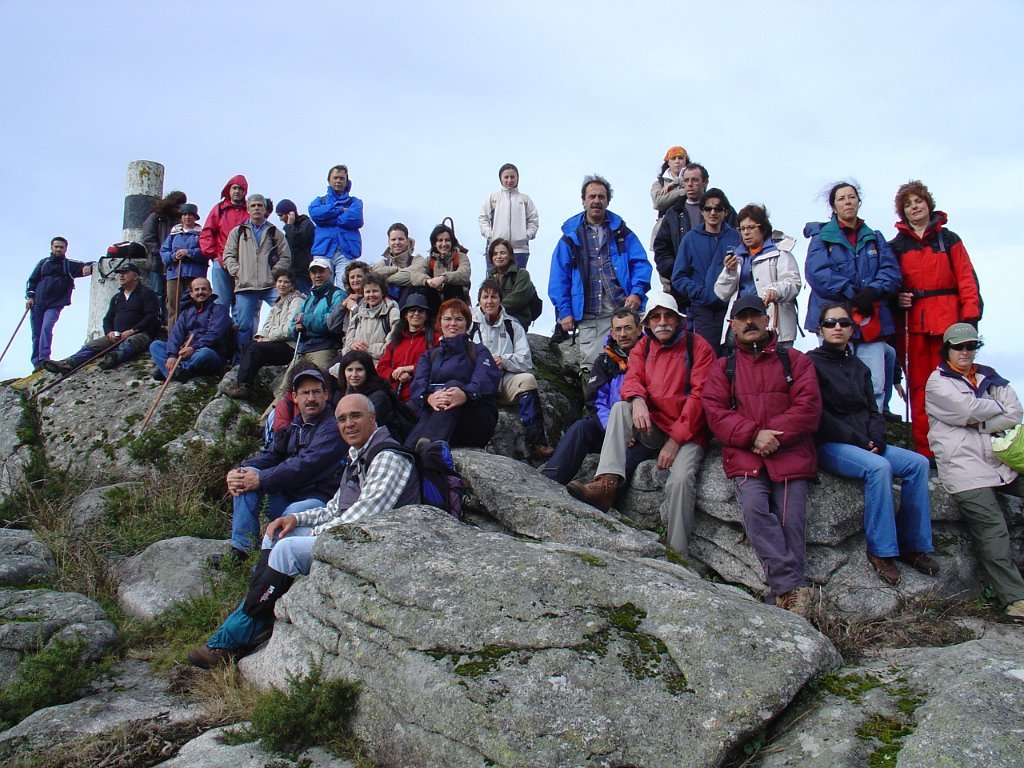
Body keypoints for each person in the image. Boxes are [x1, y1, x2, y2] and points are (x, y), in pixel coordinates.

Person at [187, 393, 420, 668]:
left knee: (286, 549)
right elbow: (334, 508)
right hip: (353, 537)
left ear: (373, 418)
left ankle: (232, 639)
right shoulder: (359, 455)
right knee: (276, 534)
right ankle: (258, 615)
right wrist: (296, 519)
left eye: (355, 416)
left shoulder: (388, 457)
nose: (348, 424)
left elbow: (363, 518)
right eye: (342, 419)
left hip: (377, 544)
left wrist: (311, 532)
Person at [568, 292, 714, 556]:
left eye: (668, 315)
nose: (662, 322)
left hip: (689, 433)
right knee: (621, 408)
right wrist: (637, 399)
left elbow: (700, 397)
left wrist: (675, 441)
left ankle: (677, 554)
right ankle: (606, 483)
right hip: (655, 426)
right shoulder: (643, 348)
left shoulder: (698, 346)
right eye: (656, 317)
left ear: (679, 320)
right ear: (647, 325)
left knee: (680, 480)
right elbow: (633, 379)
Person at [702, 295, 822, 614]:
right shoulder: (722, 367)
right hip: (747, 455)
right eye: (742, 318)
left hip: (789, 454)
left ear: (768, 318)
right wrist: (754, 435)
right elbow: (714, 413)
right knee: (755, 511)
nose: (749, 322)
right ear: (732, 325)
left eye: (755, 315)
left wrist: (771, 435)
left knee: (791, 522)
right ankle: (792, 590)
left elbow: (808, 407)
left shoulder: (795, 360)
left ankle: (784, 594)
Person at [808, 303, 937, 585]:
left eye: (843, 323)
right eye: (830, 323)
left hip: (867, 441)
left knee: (917, 464)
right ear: (820, 330)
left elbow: (873, 409)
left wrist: (877, 437)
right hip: (832, 444)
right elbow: (819, 413)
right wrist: (860, 440)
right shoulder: (811, 363)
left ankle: (913, 545)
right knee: (879, 468)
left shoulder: (859, 366)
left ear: (852, 330)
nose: (837, 328)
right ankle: (882, 551)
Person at [926, 323, 1024, 623]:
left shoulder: (991, 376)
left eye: (970, 346)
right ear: (948, 349)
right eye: (959, 347)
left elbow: (1015, 413)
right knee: (993, 529)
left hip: (1001, 462)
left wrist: (981, 420)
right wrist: (995, 409)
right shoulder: (937, 382)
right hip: (964, 466)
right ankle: (1015, 600)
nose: (965, 352)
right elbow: (964, 410)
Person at [890, 180, 983, 459]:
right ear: (902, 212)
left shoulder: (950, 239)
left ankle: (961, 451)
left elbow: (967, 279)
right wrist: (898, 298)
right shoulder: (895, 246)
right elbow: (890, 282)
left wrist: (970, 321)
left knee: (956, 386)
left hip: (950, 326)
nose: (914, 207)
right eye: (908, 204)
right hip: (914, 326)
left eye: (918, 201)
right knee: (920, 388)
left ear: (928, 204)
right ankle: (926, 451)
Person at [225, 367, 345, 557]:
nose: (311, 398)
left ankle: (267, 564)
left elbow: (305, 466)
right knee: (244, 478)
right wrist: (240, 470)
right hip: (288, 494)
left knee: (289, 513)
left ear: (326, 395)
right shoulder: (293, 427)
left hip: (318, 500)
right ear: (295, 397)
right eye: (305, 393)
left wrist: (261, 479)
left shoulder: (333, 428)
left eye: (316, 392)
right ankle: (242, 549)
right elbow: (271, 456)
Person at [803, 181, 901, 411]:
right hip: (834, 318)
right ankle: (844, 433)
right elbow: (817, 273)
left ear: (859, 202)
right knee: (838, 381)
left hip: (871, 318)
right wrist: (851, 290)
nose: (847, 201)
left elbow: (891, 271)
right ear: (833, 206)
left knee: (875, 380)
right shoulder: (822, 237)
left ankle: (874, 428)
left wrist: (874, 290)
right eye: (841, 198)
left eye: (851, 197)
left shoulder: (875, 237)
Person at [548, 175, 651, 377]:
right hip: (589, 312)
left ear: (607, 201)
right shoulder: (570, 237)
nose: (597, 201)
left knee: (635, 362)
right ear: (584, 200)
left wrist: (638, 292)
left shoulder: (622, 232)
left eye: (601, 197)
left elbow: (640, 263)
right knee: (592, 368)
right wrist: (565, 311)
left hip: (623, 308)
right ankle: (595, 409)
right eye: (592, 196)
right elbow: (559, 278)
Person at [541, 306, 643, 485]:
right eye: (618, 329)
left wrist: (630, 432)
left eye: (628, 328)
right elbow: (595, 402)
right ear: (611, 332)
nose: (623, 334)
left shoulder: (652, 356)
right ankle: (551, 481)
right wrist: (615, 430)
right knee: (581, 428)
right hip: (610, 425)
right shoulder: (604, 361)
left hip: (641, 430)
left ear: (639, 328)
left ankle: (603, 495)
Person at [470, 280, 554, 458]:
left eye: (494, 296)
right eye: (485, 297)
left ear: (500, 299)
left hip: (504, 381)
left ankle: (537, 440)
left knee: (527, 380)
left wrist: (504, 361)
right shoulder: (470, 323)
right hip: (476, 382)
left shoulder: (512, 325)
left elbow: (525, 360)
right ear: (479, 301)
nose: (490, 301)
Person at [404, 298, 501, 448]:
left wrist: (466, 394)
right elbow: (418, 384)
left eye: (459, 319)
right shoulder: (430, 355)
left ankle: (427, 447)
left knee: (453, 386)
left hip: (472, 417)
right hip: (435, 411)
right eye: (447, 319)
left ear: (467, 324)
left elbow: (485, 379)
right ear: (440, 322)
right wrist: (429, 398)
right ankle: (408, 450)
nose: (453, 324)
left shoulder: (478, 351)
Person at [41, 262, 160, 374]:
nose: (121, 276)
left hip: (139, 333)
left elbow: (151, 316)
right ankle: (69, 363)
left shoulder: (147, 293)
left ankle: (112, 359)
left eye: (125, 273)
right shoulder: (117, 297)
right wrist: (110, 333)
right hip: (116, 336)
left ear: (136, 277)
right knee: (92, 345)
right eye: (120, 273)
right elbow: (107, 319)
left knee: (131, 342)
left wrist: (132, 330)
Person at [714, 204, 802, 349]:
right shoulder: (737, 256)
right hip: (743, 327)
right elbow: (721, 293)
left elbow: (793, 284)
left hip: (775, 326)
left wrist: (776, 290)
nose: (746, 233)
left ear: (763, 228)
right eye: (742, 229)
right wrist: (729, 272)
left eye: (751, 227)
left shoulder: (780, 252)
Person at [671, 188, 741, 356]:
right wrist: (702, 294)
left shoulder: (736, 237)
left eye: (718, 208)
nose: (713, 212)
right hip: (703, 310)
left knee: (736, 358)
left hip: (731, 309)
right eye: (708, 208)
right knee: (707, 358)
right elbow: (678, 277)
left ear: (725, 212)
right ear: (702, 211)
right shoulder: (690, 238)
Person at [652, 163, 736, 302]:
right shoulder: (673, 214)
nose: (690, 184)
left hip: (723, 292)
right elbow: (661, 249)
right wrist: (679, 274)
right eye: (686, 180)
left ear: (705, 182)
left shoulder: (724, 210)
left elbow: (737, 244)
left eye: (695, 180)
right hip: (683, 293)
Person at [223, 194, 293, 350]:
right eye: (253, 205)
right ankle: (241, 359)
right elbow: (228, 255)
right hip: (245, 286)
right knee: (243, 326)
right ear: (247, 209)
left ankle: (282, 352)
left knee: (286, 312)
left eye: (260, 205)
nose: (256, 208)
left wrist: (274, 272)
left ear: (265, 209)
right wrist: (238, 271)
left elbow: (286, 256)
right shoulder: (238, 232)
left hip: (269, 285)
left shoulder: (274, 232)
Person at [222, 273, 306, 399]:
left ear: (292, 285)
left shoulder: (296, 301)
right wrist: (260, 337)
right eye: (279, 281)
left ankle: (242, 385)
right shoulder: (278, 303)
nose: (282, 285)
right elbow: (266, 325)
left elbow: (290, 328)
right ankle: (249, 380)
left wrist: (269, 338)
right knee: (248, 345)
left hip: (290, 345)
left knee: (255, 349)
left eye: (286, 282)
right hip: (277, 342)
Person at [25, 236, 94, 371]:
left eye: (61, 247)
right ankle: (37, 363)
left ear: (65, 249)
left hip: (56, 304)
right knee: (36, 333)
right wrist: (29, 297)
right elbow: (32, 281)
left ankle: (44, 358)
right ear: (51, 248)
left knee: (46, 327)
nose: (58, 249)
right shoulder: (43, 263)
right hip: (38, 303)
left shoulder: (69, 264)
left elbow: (91, 264)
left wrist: (88, 266)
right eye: (56, 247)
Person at [149, 277, 232, 382]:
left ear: (210, 292)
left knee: (204, 353)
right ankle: (177, 372)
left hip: (208, 353)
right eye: (197, 290)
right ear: (191, 294)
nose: (200, 292)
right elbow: (176, 333)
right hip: (186, 353)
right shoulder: (186, 312)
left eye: (204, 289)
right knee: (156, 345)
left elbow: (214, 334)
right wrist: (172, 355)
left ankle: (174, 371)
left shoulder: (219, 310)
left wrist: (193, 348)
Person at [334, 349, 414, 442]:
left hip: (384, 442)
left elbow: (368, 428)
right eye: (350, 370)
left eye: (359, 370)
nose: (354, 375)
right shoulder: (348, 393)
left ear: (368, 371)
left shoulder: (379, 396)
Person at [397, 222, 472, 316]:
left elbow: (464, 274)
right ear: (434, 243)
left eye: (447, 240)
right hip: (434, 305)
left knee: (451, 286)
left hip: (457, 305)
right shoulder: (429, 261)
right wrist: (428, 281)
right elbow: (415, 276)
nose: (444, 244)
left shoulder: (461, 257)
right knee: (423, 289)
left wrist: (443, 278)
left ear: (452, 242)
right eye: (440, 240)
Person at [199, 174, 249, 310]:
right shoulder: (219, 209)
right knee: (221, 302)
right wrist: (214, 255)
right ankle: (220, 330)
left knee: (241, 303)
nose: (237, 191)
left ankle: (239, 331)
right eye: (234, 188)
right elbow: (207, 232)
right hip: (221, 261)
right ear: (229, 189)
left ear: (244, 192)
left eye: (240, 189)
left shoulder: (249, 210)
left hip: (244, 263)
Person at [309, 164, 364, 287]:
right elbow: (315, 214)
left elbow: (356, 219)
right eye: (335, 178)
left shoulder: (355, 202)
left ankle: (340, 307)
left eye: (341, 178)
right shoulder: (319, 200)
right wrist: (339, 210)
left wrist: (327, 217)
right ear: (329, 180)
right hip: (323, 250)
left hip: (346, 251)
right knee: (321, 288)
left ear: (346, 181)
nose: (338, 181)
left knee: (343, 289)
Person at [478, 162, 539, 268]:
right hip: (496, 250)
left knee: (518, 282)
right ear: (500, 178)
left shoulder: (525, 199)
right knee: (495, 283)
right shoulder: (493, 198)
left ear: (517, 178)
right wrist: (490, 235)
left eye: (512, 177)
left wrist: (526, 235)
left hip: (519, 250)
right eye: (506, 177)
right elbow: (483, 218)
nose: (509, 180)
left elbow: (533, 220)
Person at [377, 293, 435, 402]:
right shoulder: (395, 341)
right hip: (393, 396)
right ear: (405, 315)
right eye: (412, 310)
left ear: (426, 316)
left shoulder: (434, 339)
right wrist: (395, 374)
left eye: (421, 311)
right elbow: (381, 368)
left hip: (421, 396)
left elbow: (437, 364)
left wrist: (409, 369)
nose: (416, 314)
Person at [290, 258, 345, 371]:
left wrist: (305, 320)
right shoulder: (309, 299)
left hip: (325, 347)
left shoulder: (337, 294)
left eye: (321, 271)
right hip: (303, 349)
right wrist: (296, 328)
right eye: (314, 272)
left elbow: (331, 323)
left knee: (320, 381)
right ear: (310, 275)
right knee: (285, 387)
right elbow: (292, 323)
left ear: (330, 273)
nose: (317, 275)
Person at [161, 202, 207, 330]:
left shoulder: (201, 234)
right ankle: (173, 337)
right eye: (185, 214)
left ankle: (194, 335)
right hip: (175, 274)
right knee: (173, 306)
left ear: (195, 217)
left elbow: (206, 251)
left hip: (195, 275)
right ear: (181, 217)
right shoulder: (173, 234)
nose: (187, 217)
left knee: (196, 305)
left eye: (190, 215)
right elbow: (164, 253)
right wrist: (174, 256)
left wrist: (189, 253)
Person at [141, 190, 187, 311]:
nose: (179, 209)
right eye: (177, 206)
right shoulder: (156, 217)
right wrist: (162, 253)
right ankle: (158, 318)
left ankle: (168, 320)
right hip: (157, 262)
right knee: (158, 292)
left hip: (174, 263)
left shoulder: (180, 220)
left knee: (172, 294)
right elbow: (147, 239)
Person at [342, 274, 400, 363]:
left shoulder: (392, 312)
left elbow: (392, 346)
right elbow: (346, 348)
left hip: (380, 364)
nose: (371, 295)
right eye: (368, 292)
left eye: (375, 291)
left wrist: (368, 350)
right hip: (357, 363)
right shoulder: (358, 316)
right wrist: (352, 346)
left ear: (383, 292)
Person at [487, 238, 541, 331]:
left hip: (517, 321)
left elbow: (517, 299)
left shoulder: (521, 274)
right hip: (495, 319)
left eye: (503, 253)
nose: (499, 256)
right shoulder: (490, 279)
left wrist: (493, 310)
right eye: (495, 254)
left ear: (510, 255)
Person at [649, 145, 690, 246]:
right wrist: (683, 192)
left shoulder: (694, 178)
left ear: (686, 161)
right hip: (665, 231)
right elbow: (658, 203)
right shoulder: (659, 183)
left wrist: (676, 182)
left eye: (680, 158)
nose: (677, 161)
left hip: (689, 228)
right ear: (668, 162)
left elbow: (700, 191)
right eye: (673, 158)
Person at [274, 199, 315, 294]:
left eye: (281, 215)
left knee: (304, 299)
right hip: (292, 272)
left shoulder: (306, 223)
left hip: (302, 272)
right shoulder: (290, 228)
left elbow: (299, 241)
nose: (280, 219)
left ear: (289, 214)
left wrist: (290, 225)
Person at [372, 223, 418, 303]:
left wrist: (385, 279)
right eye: (393, 239)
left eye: (400, 239)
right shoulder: (381, 264)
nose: (397, 242)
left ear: (407, 241)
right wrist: (395, 269)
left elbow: (414, 276)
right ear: (388, 242)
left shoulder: (417, 260)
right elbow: (371, 274)